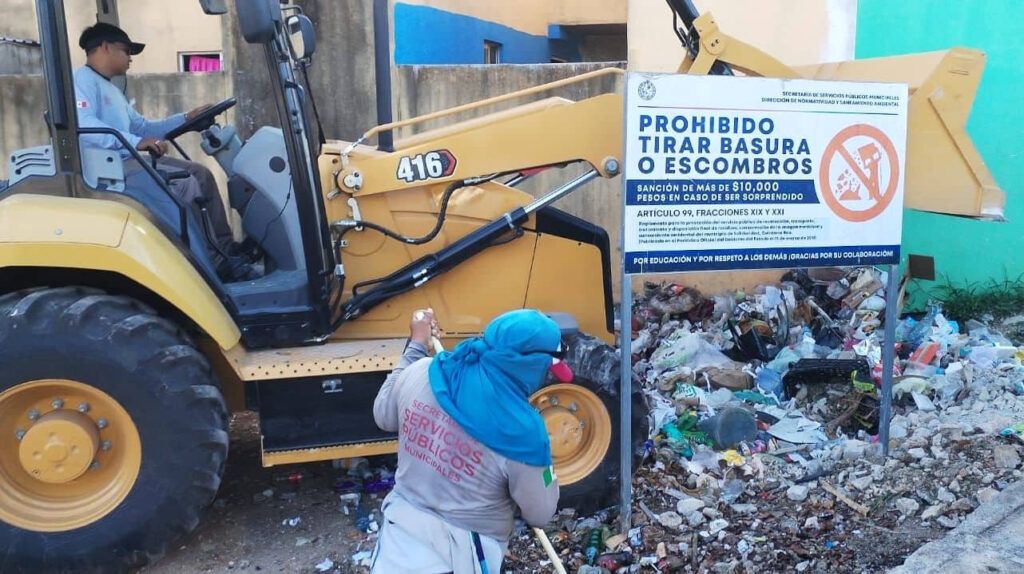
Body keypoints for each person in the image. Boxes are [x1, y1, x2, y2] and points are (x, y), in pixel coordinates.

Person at [371, 308, 562, 574]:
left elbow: (383, 415)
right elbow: (540, 514)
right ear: (531, 366)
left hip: (396, 548)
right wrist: (544, 471)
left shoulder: (424, 371)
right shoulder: (524, 432)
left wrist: (416, 345)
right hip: (463, 557)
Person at [72, 22, 256, 281]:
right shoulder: (80, 80)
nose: (130, 59)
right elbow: (84, 123)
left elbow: (145, 127)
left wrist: (186, 118)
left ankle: (226, 250)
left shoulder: (113, 90)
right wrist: (135, 142)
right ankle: (210, 264)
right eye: (126, 51)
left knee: (201, 174)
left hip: (127, 160)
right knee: (185, 185)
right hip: (106, 166)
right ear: (104, 47)